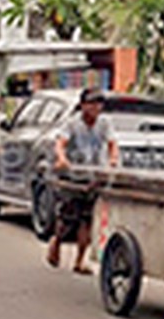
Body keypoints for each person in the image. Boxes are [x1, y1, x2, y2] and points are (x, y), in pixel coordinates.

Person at [47, 87, 119, 274]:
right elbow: (60, 143)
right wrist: (62, 159)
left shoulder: (104, 123)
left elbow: (112, 144)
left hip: (93, 177)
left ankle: (79, 260)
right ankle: (57, 240)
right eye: (92, 103)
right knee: (68, 218)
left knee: (87, 220)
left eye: (99, 103)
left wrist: (112, 160)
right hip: (74, 176)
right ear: (83, 105)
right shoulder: (72, 123)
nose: (96, 107)